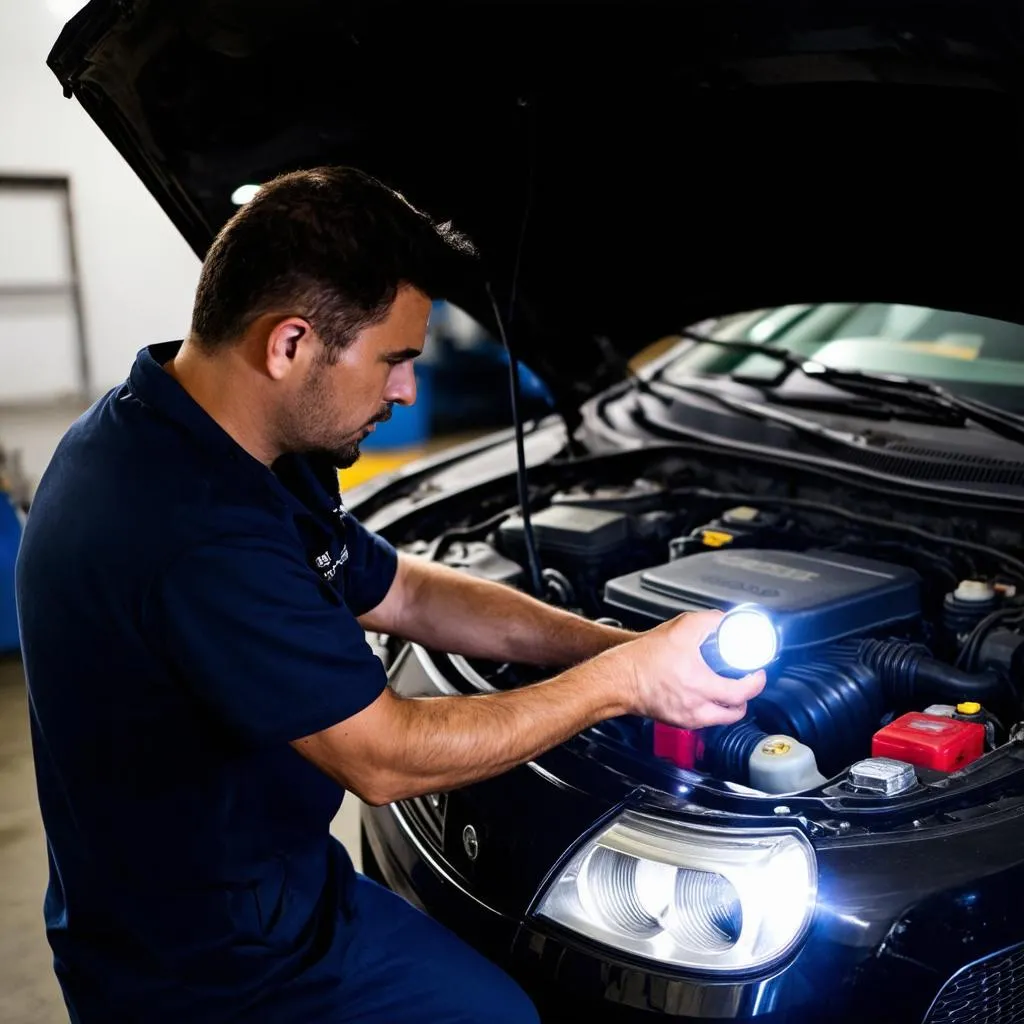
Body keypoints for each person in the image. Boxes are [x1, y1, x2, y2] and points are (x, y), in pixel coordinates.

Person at [15, 166, 766, 1024]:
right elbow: (384, 756)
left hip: (270, 889)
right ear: (289, 344)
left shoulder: (200, 431)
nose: (408, 390)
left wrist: (610, 645)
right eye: (394, 360)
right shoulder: (188, 527)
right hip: (206, 969)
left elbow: (401, 590)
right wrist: (623, 686)